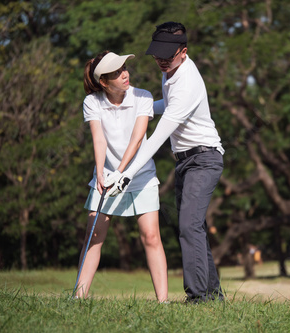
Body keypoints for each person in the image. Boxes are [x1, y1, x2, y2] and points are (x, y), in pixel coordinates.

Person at [106, 22, 225, 303]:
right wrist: (132, 106)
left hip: (204, 158)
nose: (161, 60)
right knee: (193, 226)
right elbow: (163, 107)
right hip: (186, 160)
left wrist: (125, 173)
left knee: (188, 226)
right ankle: (212, 296)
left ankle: (197, 298)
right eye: (157, 54)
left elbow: (159, 135)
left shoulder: (188, 82)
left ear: (183, 52)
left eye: (167, 56)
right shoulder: (171, 72)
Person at [74, 51, 168, 302]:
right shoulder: (92, 102)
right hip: (106, 177)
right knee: (94, 237)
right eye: (116, 72)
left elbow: (138, 138)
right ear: (104, 82)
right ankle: (78, 298)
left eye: (124, 68)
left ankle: (163, 302)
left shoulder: (143, 96)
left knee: (151, 236)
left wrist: (121, 173)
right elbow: (99, 139)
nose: (125, 74)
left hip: (141, 176)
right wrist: (103, 174)